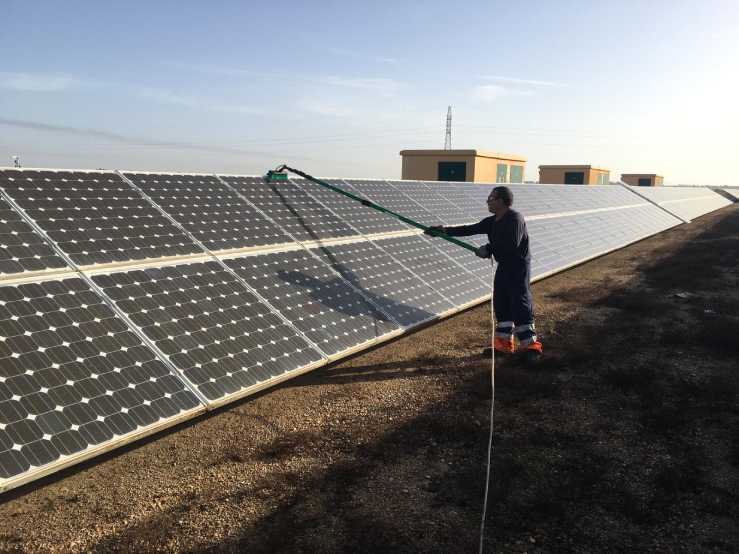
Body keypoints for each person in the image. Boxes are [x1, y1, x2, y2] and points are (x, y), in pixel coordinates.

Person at [425, 186, 543, 362]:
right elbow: (469, 229)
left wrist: (488, 249)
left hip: (518, 268)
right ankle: (503, 345)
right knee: (501, 303)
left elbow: (512, 244)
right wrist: (444, 231)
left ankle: (531, 347)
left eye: (491, 197)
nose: (487, 200)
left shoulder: (514, 218)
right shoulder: (492, 221)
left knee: (520, 303)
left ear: (501, 201)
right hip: (503, 266)